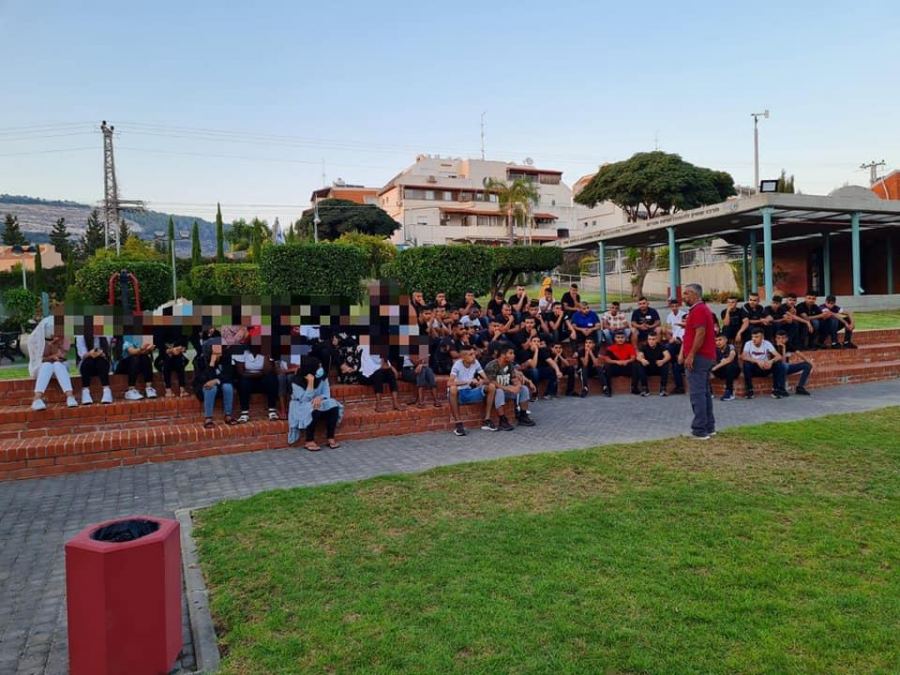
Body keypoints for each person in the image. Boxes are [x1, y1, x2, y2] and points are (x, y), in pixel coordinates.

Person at [680, 283, 717, 439]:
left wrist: (691, 355)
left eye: (686, 293)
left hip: (699, 357)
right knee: (704, 393)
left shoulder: (699, 310)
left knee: (697, 394)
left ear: (695, 294)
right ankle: (709, 426)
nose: (684, 296)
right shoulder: (701, 309)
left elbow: (700, 333)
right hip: (705, 356)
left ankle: (699, 429)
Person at [288, 356, 344, 451]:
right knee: (313, 408)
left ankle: (330, 437)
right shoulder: (296, 381)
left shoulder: (322, 377)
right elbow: (304, 399)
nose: (320, 369)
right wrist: (310, 383)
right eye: (318, 367)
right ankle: (309, 440)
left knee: (333, 405)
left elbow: (326, 394)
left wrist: (320, 397)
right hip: (300, 405)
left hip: (319, 401)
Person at [28, 316, 77, 411]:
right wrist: (50, 355)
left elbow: (61, 356)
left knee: (57, 365)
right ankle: (37, 399)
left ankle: (70, 396)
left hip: (60, 367)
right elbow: (37, 360)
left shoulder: (65, 338)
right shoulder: (34, 339)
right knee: (47, 365)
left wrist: (56, 344)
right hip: (40, 368)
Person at [447, 345, 497, 436]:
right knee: (453, 389)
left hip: (470, 391)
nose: (474, 356)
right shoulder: (457, 365)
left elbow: (487, 379)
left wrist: (481, 381)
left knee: (491, 386)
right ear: (463, 357)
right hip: (459, 394)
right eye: (471, 354)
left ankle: (487, 420)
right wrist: (467, 382)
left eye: (474, 354)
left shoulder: (476, 362)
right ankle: (458, 424)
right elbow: (449, 383)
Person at [484, 346, 535, 429]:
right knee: (499, 391)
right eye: (511, 353)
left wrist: (518, 386)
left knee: (524, 389)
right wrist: (509, 388)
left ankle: (523, 416)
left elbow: (514, 378)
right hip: (493, 393)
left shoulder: (509, 364)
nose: (513, 355)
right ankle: (502, 420)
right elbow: (492, 382)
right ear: (503, 355)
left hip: (506, 390)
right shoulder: (492, 365)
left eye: (513, 353)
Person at [233, 345, 280, 422]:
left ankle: (272, 410)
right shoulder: (242, 352)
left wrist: (266, 355)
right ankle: (244, 413)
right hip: (248, 380)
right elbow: (241, 373)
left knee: (272, 379)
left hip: (261, 380)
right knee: (243, 382)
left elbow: (267, 371)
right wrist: (259, 374)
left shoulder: (266, 352)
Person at [193, 343, 236, 428]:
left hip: (220, 386)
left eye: (219, 353)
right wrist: (212, 363)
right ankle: (208, 418)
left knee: (228, 386)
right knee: (211, 388)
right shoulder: (201, 360)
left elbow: (228, 376)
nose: (217, 355)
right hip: (204, 387)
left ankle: (228, 415)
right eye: (214, 353)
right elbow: (203, 379)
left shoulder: (226, 359)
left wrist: (217, 380)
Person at [740, 328, 787, 399]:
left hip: (766, 367)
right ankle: (749, 390)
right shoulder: (748, 343)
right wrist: (757, 361)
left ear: (762, 337)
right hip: (754, 369)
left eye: (756, 337)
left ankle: (776, 390)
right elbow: (743, 356)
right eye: (752, 337)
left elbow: (779, 356)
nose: (754, 339)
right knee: (746, 364)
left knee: (778, 364)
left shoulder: (767, 343)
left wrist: (771, 361)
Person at [76, 331, 113, 405]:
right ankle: (85, 391)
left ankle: (107, 390)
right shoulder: (81, 336)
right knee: (89, 361)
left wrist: (101, 353)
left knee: (100, 361)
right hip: (86, 363)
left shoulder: (106, 334)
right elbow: (82, 355)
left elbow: (107, 352)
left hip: (102, 364)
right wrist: (90, 353)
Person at [117, 334, 157, 400]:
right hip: (126, 364)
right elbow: (132, 352)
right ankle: (130, 390)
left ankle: (149, 388)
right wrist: (141, 349)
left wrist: (149, 349)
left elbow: (146, 352)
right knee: (135, 358)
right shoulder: (127, 335)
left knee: (145, 358)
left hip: (138, 364)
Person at [774, 330, 813, 395]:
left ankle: (800, 387)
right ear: (775, 339)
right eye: (778, 338)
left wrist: (811, 363)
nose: (781, 340)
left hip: (787, 367)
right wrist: (783, 349)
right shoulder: (773, 347)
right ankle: (782, 389)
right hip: (778, 369)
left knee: (807, 365)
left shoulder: (788, 345)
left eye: (783, 338)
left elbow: (800, 354)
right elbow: (782, 362)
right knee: (783, 366)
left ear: (787, 339)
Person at [603, 330, 639, 396]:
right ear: (615, 338)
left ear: (625, 338)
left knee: (636, 365)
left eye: (622, 337)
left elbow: (633, 358)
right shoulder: (610, 348)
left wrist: (626, 361)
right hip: (616, 368)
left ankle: (634, 387)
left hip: (626, 367)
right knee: (607, 367)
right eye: (618, 337)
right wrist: (617, 362)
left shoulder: (630, 346)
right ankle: (608, 389)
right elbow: (607, 360)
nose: (620, 339)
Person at [155, 330, 190, 398]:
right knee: (167, 360)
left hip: (178, 356)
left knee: (179, 361)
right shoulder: (159, 331)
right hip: (163, 358)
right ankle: (168, 390)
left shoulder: (180, 330)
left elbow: (184, 347)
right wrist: (170, 351)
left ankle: (182, 389)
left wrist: (180, 349)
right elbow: (158, 345)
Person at [635, 331, 671, 397]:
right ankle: (645, 389)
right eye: (649, 339)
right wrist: (642, 360)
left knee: (666, 364)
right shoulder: (644, 346)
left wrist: (662, 361)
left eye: (653, 339)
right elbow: (638, 356)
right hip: (648, 368)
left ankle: (663, 389)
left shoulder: (661, 346)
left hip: (658, 367)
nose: (651, 341)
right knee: (639, 364)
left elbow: (668, 356)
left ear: (656, 340)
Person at [664, 298, 687, 394]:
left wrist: (677, 340)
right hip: (677, 344)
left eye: (686, 320)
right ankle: (679, 387)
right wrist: (672, 339)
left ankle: (672, 362)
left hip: (685, 347)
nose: (674, 308)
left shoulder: (690, 329)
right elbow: (671, 333)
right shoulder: (678, 327)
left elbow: (685, 341)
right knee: (667, 348)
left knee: (669, 348)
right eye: (683, 320)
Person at [711, 334, 740, 401]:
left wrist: (716, 367)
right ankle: (709, 392)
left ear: (726, 340)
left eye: (720, 340)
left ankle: (729, 392)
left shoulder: (731, 347)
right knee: (706, 367)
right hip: (722, 371)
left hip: (733, 371)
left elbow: (730, 359)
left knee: (729, 365)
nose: (718, 342)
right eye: (716, 340)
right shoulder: (715, 349)